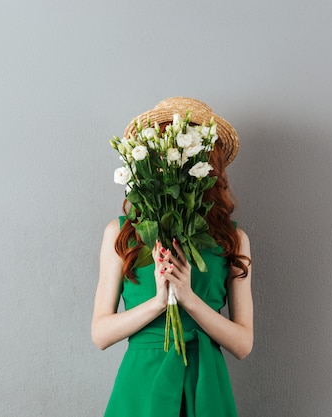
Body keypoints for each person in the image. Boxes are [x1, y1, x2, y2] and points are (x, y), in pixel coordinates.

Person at [92, 97, 253, 417]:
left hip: (205, 384)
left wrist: (188, 297)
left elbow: (243, 344)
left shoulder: (232, 238)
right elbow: (100, 334)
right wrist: (158, 301)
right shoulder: (122, 233)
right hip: (141, 384)